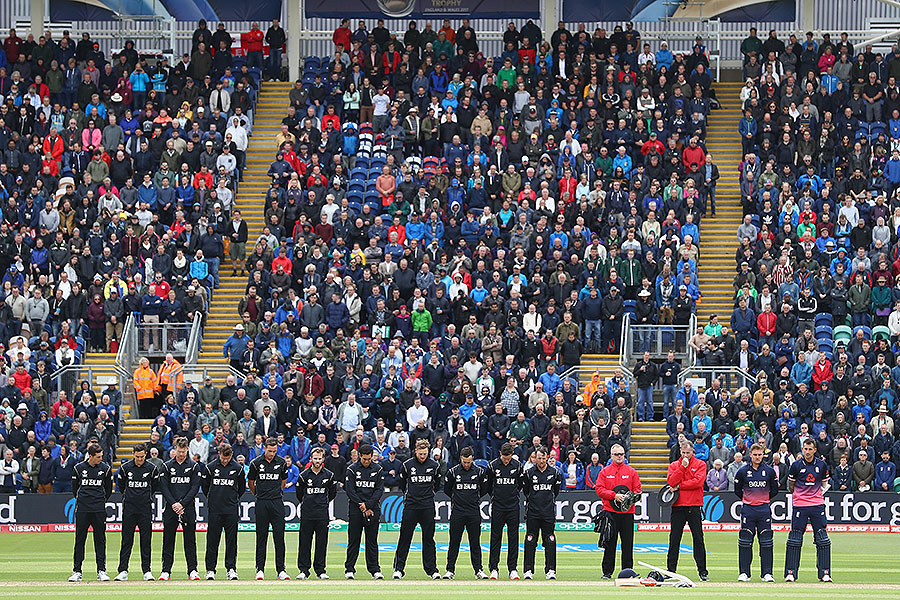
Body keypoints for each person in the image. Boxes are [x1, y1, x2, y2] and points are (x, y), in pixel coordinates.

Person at [393, 439, 442, 579]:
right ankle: (399, 569)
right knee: (405, 538)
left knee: (429, 539)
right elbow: (402, 484)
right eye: (420, 454)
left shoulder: (434, 465)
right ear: (415, 451)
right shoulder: (407, 465)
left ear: (428, 452)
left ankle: (432, 570)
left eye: (425, 453)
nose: (422, 456)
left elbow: (437, 485)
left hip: (427, 506)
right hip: (411, 506)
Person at [784, 438, 832, 582]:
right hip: (800, 505)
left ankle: (824, 573)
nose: (808, 452)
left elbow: (824, 484)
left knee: (822, 539)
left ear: (815, 450)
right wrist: (802, 495)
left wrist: (813, 495)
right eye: (806, 449)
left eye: (810, 449)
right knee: (795, 539)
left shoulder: (821, 465)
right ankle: (791, 573)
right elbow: (791, 486)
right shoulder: (796, 465)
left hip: (817, 505)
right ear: (802, 449)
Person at [733, 442, 779, 582]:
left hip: (764, 509)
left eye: (760, 455)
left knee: (766, 542)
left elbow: (774, 490)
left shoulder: (769, 471)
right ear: (750, 455)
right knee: (745, 541)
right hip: (748, 509)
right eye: (755, 455)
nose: (757, 457)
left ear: (763, 455)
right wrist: (749, 499)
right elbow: (737, 490)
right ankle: (744, 573)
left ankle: (767, 573)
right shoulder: (742, 471)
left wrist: (762, 499)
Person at [158, 436, 202, 581]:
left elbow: (195, 487)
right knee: (168, 540)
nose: (181, 454)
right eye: (179, 451)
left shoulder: (194, 466)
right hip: (171, 508)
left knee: (190, 540)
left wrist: (182, 504)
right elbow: (164, 487)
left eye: (184, 451)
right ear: (174, 449)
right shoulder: (167, 466)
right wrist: (174, 504)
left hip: (187, 508)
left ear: (187, 449)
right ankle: (166, 571)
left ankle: (193, 570)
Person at [595, 443, 641, 579]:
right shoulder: (605, 472)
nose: (619, 456)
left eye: (621, 454)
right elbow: (599, 489)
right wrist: (613, 495)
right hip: (610, 512)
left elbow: (638, 490)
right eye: (616, 454)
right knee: (610, 543)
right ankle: (607, 572)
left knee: (627, 544)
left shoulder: (631, 472)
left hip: (627, 513)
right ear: (611, 456)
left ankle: (628, 572)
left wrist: (629, 498)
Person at [115, 443, 159, 581]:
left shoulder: (152, 468)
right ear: (133, 453)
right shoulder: (125, 468)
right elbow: (121, 487)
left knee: (146, 540)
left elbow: (155, 486)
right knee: (126, 540)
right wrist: (129, 498)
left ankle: (147, 571)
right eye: (137, 456)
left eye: (142, 456)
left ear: (145, 454)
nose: (140, 459)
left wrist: (146, 498)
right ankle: (123, 570)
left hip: (145, 508)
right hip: (129, 508)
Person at [69, 443, 113, 582]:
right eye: (98, 457)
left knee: (100, 540)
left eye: (101, 456)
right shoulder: (79, 468)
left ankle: (101, 571)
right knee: (80, 540)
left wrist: (99, 501)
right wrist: (83, 500)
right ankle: (77, 571)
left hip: (99, 509)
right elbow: (75, 489)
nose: (101, 458)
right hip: (83, 509)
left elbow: (108, 490)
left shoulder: (105, 469)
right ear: (91, 456)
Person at [201, 443, 245, 580]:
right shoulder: (211, 467)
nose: (225, 460)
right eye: (223, 457)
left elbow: (241, 488)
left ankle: (231, 569)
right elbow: (205, 487)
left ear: (231, 455)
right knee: (212, 540)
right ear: (219, 454)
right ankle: (210, 570)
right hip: (215, 509)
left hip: (231, 509)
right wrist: (214, 499)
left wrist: (232, 499)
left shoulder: (238, 468)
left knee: (231, 541)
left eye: (227, 458)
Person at [666, 441, 709, 580]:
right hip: (678, 506)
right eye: (683, 452)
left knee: (698, 538)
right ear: (680, 452)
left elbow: (698, 482)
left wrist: (680, 486)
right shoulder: (674, 465)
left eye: (688, 453)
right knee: (674, 539)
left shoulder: (700, 464)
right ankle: (671, 571)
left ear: (693, 452)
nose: (685, 455)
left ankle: (702, 571)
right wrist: (682, 469)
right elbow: (671, 482)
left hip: (694, 506)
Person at [248, 436, 289, 580]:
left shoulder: (282, 462)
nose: (272, 454)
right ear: (265, 448)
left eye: (274, 451)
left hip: (277, 502)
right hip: (262, 502)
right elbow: (251, 483)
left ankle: (281, 570)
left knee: (279, 536)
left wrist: (276, 493)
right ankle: (260, 569)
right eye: (270, 451)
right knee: (261, 536)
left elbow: (283, 481)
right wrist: (259, 495)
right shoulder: (256, 463)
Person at [443, 446, 487, 579]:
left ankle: (478, 570)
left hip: (473, 512)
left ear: (472, 458)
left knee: (475, 542)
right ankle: (450, 570)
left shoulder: (479, 472)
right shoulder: (453, 472)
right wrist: (458, 499)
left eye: (468, 462)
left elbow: (484, 490)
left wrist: (473, 499)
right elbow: (447, 490)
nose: (466, 464)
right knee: (454, 542)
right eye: (464, 462)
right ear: (461, 459)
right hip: (458, 512)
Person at [295, 447, 338, 579]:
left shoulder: (329, 475)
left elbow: (332, 493)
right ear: (311, 459)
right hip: (307, 514)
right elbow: (299, 495)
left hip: (322, 514)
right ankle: (304, 570)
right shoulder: (304, 476)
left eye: (320, 458)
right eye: (315, 458)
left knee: (321, 542)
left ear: (323, 459)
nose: (317, 461)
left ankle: (320, 570)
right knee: (304, 542)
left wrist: (322, 504)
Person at [344, 444, 384, 579]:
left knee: (372, 541)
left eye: (369, 459)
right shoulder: (352, 469)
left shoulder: (378, 469)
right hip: (356, 509)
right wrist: (361, 505)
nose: (367, 461)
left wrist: (368, 505)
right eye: (364, 459)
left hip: (372, 509)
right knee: (354, 540)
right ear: (359, 456)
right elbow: (350, 490)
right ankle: (349, 569)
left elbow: (379, 490)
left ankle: (375, 570)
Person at [522, 446, 562, 580]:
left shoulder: (554, 473)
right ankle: (528, 570)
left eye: (543, 458)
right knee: (530, 540)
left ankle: (550, 570)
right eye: (538, 458)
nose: (541, 461)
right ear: (535, 458)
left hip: (548, 512)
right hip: (533, 512)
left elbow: (555, 492)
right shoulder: (529, 472)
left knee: (550, 540)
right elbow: (526, 491)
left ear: (547, 458)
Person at [485, 442, 524, 580]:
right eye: (504, 458)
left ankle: (512, 569)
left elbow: (520, 484)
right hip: (498, 506)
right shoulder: (493, 466)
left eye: (509, 458)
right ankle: (494, 568)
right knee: (495, 537)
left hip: (513, 506)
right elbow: (488, 486)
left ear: (512, 455)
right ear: (500, 454)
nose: (506, 461)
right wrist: (495, 497)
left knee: (513, 538)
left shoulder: (517, 466)